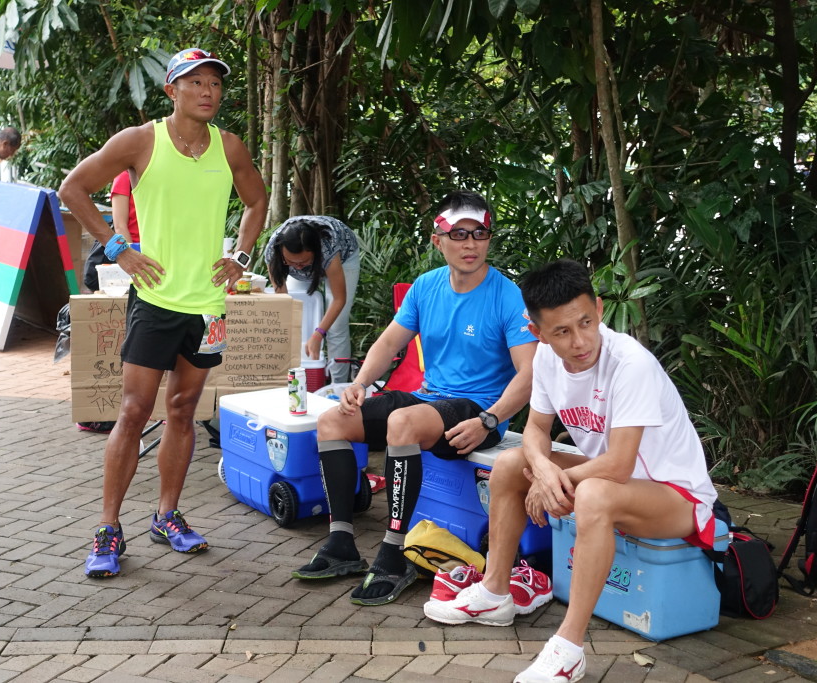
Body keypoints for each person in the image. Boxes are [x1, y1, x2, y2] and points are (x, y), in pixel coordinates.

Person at [424, 259, 717, 683]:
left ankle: (569, 648)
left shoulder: (630, 363)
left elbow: (619, 464)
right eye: (561, 331)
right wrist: (542, 471)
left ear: (598, 308)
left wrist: (550, 481)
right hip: (617, 483)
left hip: (677, 498)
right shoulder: (545, 358)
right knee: (511, 464)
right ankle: (494, 592)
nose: (580, 341)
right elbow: (535, 430)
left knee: (594, 493)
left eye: (586, 322)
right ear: (538, 332)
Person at [59, 46, 267, 579]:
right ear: (172, 90)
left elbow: (257, 201)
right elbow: (73, 188)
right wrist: (117, 248)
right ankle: (108, 528)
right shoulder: (141, 140)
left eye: (215, 84)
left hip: (209, 306)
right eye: (195, 82)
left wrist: (241, 257)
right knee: (133, 411)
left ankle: (167, 516)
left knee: (183, 410)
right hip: (154, 299)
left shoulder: (230, 146)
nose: (208, 92)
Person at [291, 190, 538, 606]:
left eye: (479, 233)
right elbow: (389, 343)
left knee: (401, 422)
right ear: (438, 240)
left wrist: (490, 420)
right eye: (458, 234)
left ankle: (393, 554)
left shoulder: (507, 295)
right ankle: (341, 543)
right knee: (332, 420)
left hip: (478, 413)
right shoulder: (426, 286)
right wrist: (359, 383)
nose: (470, 244)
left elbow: (530, 373)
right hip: (429, 400)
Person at [76, 170, 140, 434]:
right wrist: (132, 258)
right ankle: (103, 411)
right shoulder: (124, 177)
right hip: (130, 259)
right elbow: (121, 226)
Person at [264, 216, 360, 381]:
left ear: (315, 253)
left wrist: (319, 334)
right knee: (301, 320)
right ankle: (301, 378)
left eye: (302, 262)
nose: (298, 266)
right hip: (309, 260)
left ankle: (337, 385)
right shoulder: (273, 251)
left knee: (336, 326)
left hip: (344, 256)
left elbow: (339, 299)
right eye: (291, 261)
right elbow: (283, 299)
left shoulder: (328, 249)